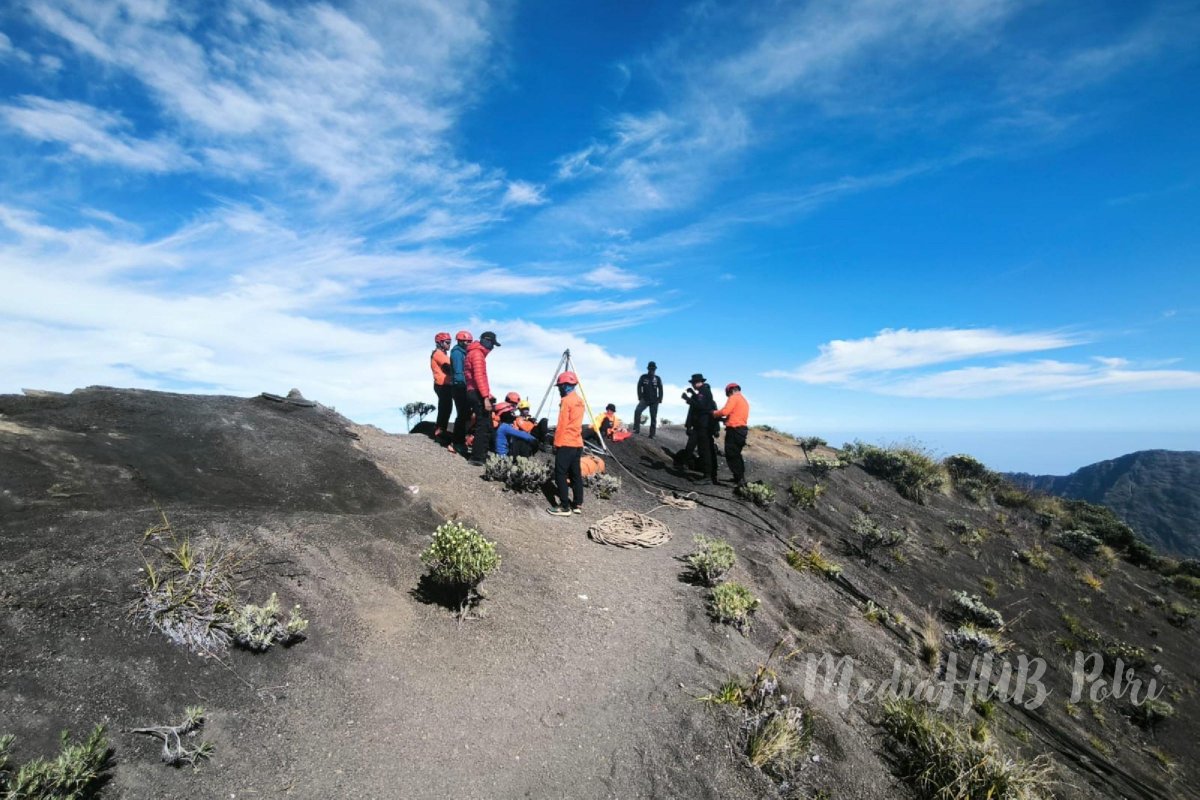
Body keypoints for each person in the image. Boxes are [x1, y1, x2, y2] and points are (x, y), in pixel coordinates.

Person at [548, 371, 585, 516]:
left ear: (565, 386)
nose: (559, 389)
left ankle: (564, 506)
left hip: (566, 442)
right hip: (577, 443)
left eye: (560, 387)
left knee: (560, 474)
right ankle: (577, 504)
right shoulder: (579, 401)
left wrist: (556, 443)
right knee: (576, 474)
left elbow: (562, 424)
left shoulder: (566, 401)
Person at [464, 330, 501, 466]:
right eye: (492, 344)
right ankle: (477, 457)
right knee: (483, 425)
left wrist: (487, 395)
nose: (492, 348)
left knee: (485, 423)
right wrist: (485, 397)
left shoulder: (473, 352)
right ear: (487, 341)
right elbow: (479, 377)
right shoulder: (478, 354)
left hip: (473, 391)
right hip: (477, 393)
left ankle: (480, 455)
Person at [680, 373, 718, 483]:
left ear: (697, 383)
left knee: (705, 450)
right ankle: (708, 475)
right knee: (699, 449)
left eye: (693, 383)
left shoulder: (704, 391)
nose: (692, 385)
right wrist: (692, 394)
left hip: (703, 426)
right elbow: (698, 403)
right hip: (700, 425)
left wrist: (687, 399)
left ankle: (708, 476)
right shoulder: (702, 392)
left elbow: (701, 406)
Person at [713, 382, 750, 485]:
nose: (728, 396)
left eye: (728, 394)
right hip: (742, 430)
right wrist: (726, 420)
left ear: (731, 391)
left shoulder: (734, 398)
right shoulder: (744, 400)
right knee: (736, 454)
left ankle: (740, 479)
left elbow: (725, 411)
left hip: (734, 430)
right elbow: (736, 415)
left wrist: (714, 413)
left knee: (731, 454)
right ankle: (739, 477)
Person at [448, 331, 473, 455]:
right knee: (463, 414)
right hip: (459, 387)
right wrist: (465, 386)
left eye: (469, 341)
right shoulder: (457, 353)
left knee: (466, 414)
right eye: (466, 341)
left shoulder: (463, 352)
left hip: (462, 386)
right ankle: (456, 443)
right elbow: (459, 372)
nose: (468, 343)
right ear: (460, 341)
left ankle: (460, 441)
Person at [430, 332, 453, 441]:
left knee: (445, 407)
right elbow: (447, 368)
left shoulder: (443, 354)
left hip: (445, 385)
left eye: (450, 342)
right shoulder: (438, 354)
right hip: (442, 385)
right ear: (440, 343)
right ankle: (439, 430)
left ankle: (440, 428)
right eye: (447, 342)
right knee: (445, 407)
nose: (449, 345)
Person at [632, 361, 663, 438]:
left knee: (653, 417)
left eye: (653, 369)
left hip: (654, 401)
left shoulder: (658, 378)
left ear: (655, 369)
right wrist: (640, 397)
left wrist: (660, 399)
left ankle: (652, 434)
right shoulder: (643, 377)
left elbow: (660, 389)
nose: (652, 370)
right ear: (648, 369)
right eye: (650, 369)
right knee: (637, 411)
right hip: (644, 399)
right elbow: (639, 386)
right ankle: (636, 429)